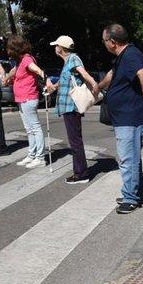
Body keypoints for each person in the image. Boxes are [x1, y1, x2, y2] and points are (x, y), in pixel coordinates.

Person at [95, 24, 143, 213]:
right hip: (126, 117)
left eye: (104, 41)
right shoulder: (122, 58)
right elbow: (112, 75)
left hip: (131, 118)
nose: (103, 44)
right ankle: (138, 192)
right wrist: (99, 86)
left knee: (128, 159)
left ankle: (130, 198)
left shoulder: (132, 55)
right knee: (133, 157)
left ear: (112, 42)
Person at [45, 35, 98, 184]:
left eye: (56, 46)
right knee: (75, 141)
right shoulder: (67, 61)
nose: (55, 48)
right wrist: (52, 88)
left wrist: (95, 86)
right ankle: (80, 172)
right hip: (68, 106)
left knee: (75, 142)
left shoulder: (73, 59)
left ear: (61, 48)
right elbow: (65, 81)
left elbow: (84, 73)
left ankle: (81, 174)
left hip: (72, 106)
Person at [3, 35, 47, 167]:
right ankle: (32, 154)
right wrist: (7, 78)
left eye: (10, 48)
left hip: (28, 97)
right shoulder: (20, 60)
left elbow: (38, 70)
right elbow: (14, 71)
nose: (8, 51)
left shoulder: (27, 59)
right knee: (29, 129)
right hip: (21, 98)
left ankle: (40, 157)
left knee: (35, 128)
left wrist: (46, 79)